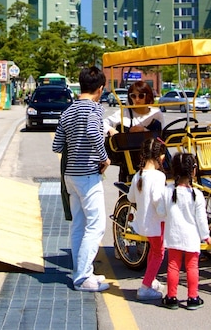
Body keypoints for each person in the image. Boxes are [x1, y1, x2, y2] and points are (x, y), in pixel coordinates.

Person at [51, 66, 111, 293]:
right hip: (87, 174)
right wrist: (104, 158)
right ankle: (83, 277)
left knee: (79, 224)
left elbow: (56, 145)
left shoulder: (68, 111)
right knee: (96, 226)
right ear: (100, 89)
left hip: (70, 175)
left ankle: (81, 272)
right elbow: (95, 134)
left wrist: (73, 143)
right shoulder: (94, 109)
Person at [159, 152, 210, 310]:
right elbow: (201, 220)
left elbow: (161, 212)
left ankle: (171, 297)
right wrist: (205, 235)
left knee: (173, 266)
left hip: (173, 236)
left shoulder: (168, 191)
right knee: (192, 267)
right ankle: (193, 297)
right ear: (193, 171)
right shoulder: (197, 195)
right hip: (192, 238)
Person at [126, 137, 168, 301]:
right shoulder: (158, 176)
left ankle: (151, 279)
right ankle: (145, 287)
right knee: (159, 253)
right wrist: (167, 212)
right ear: (161, 157)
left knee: (154, 250)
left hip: (143, 222)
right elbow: (158, 200)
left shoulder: (138, 175)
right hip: (157, 222)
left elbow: (131, 198)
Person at [104, 81, 164, 183]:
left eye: (141, 96)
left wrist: (144, 130)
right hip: (129, 161)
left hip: (152, 160)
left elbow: (162, 135)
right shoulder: (125, 112)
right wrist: (111, 129)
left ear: (147, 96)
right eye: (133, 96)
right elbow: (103, 122)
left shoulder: (156, 113)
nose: (137, 99)